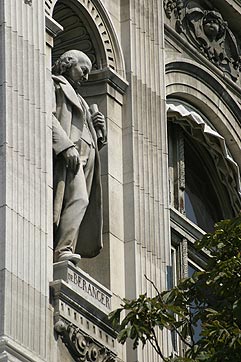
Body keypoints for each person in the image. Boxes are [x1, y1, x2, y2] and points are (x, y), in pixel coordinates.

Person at [52, 50, 107, 265]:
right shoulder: (56, 84)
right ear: (68, 64)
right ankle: (62, 249)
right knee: (80, 198)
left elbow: (85, 129)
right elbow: (48, 116)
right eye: (83, 71)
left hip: (88, 158)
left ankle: (68, 247)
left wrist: (98, 132)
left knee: (81, 200)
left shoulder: (84, 102)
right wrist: (65, 147)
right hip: (70, 155)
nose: (85, 77)